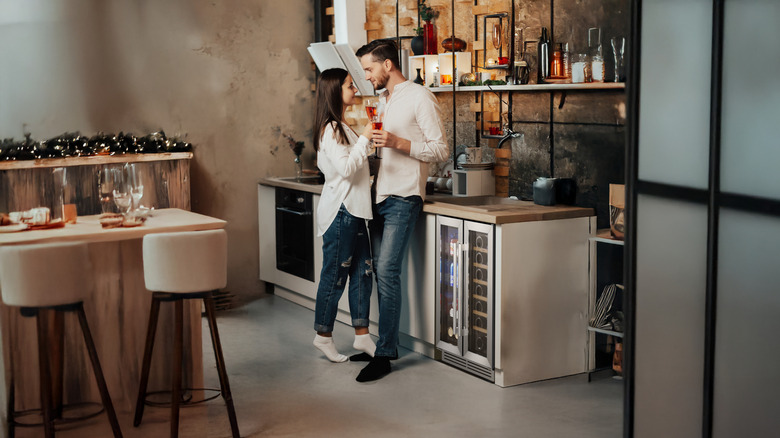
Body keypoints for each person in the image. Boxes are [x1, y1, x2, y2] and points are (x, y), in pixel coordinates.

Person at [354, 39, 449, 381]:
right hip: (379, 195)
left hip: (404, 197)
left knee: (387, 271)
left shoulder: (420, 96)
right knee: (378, 272)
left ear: (387, 65)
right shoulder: (382, 100)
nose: (366, 76)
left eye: (368, 68)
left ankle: (385, 354)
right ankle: (382, 345)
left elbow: (440, 150)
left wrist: (397, 143)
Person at [311, 68, 377, 363]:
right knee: (335, 276)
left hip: (357, 211)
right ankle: (323, 336)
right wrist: (365, 138)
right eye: (350, 85)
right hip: (342, 212)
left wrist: (366, 143)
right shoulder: (330, 129)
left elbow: (356, 167)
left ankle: (362, 336)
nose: (355, 88)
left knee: (363, 274)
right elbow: (347, 169)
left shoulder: (342, 126)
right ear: (335, 90)